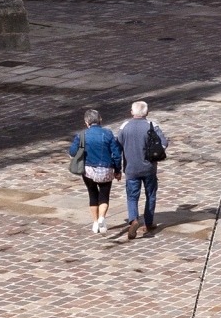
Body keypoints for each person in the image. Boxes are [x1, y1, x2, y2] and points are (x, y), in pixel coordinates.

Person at [116, 100, 167, 240]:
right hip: (149, 168)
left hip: (131, 168)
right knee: (150, 195)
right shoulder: (152, 126)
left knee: (132, 196)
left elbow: (117, 147)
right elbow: (164, 143)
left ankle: (133, 220)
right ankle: (148, 223)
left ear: (132, 112)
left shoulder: (124, 127)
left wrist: (117, 166)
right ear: (147, 113)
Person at [70, 109, 122, 236]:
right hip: (106, 169)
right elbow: (116, 154)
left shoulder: (81, 135)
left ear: (86, 122)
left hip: (88, 170)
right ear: (100, 120)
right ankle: (102, 219)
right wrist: (117, 170)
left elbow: (72, 152)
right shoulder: (108, 134)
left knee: (92, 194)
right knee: (104, 194)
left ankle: (94, 222)